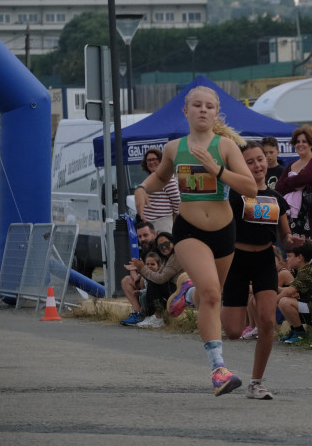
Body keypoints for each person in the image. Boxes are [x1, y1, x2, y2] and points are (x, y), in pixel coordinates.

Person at [134, 85, 258, 397]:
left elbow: (250, 188)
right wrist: (143, 188)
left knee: (206, 299)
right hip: (189, 230)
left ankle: (187, 296)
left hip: (224, 231)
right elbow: (161, 176)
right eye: (197, 105)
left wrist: (217, 169)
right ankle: (218, 369)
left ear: (216, 113)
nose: (203, 110)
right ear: (185, 111)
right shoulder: (175, 148)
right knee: (213, 294)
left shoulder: (226, 147)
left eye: (209, 106)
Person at [221, 140, 302, 400]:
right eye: (250, 161)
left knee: (267, 322)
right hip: (236, 260)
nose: (257, 164)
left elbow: (285, 236)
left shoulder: (276, 198)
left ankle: (256, 382)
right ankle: (202, 302)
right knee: (233, 331)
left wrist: (293, 242)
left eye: (261, 159)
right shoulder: (234, 195)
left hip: (265, 260)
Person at [275, 126, 312, 243]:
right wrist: (294, 182)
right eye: (297, 142)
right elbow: (279, 187)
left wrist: (290, 182)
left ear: (311, 144)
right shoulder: (292, 164)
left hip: (311, 214)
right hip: (292, 217)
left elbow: (306, 177)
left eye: (304, 141)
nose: (300, 144)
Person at [132, 232, 184, 329]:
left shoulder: (176, 256)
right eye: (160, 246)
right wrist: (139, 271)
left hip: (180, 292)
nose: (164, 247)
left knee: (154, 283)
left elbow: (160, 279)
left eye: (166, 244)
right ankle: (150, 316)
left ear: (173, 242)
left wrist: (143, 269)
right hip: (173, 290)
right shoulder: (166, 259)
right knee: (146, 285)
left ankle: (158, 317)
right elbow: (156, 275)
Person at [277, 240, 312, 344]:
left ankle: (299, 332)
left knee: (284, 301)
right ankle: (294, 330)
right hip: (310, 308)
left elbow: (290, 291)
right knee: (283, 300)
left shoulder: (307, 271)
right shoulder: (302, 271)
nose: (286, 259)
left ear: (299, 258)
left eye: (289, 256)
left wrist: (273, 301)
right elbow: (290, 290)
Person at [136, 148, 180, 234]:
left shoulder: (167, 178)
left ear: (161, 161)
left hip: (162, 222)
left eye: (154, 159)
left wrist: (174, 218)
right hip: (149, 223)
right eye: (148, 160)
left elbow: (176, 200)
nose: (151, 162)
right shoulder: (151, 178)